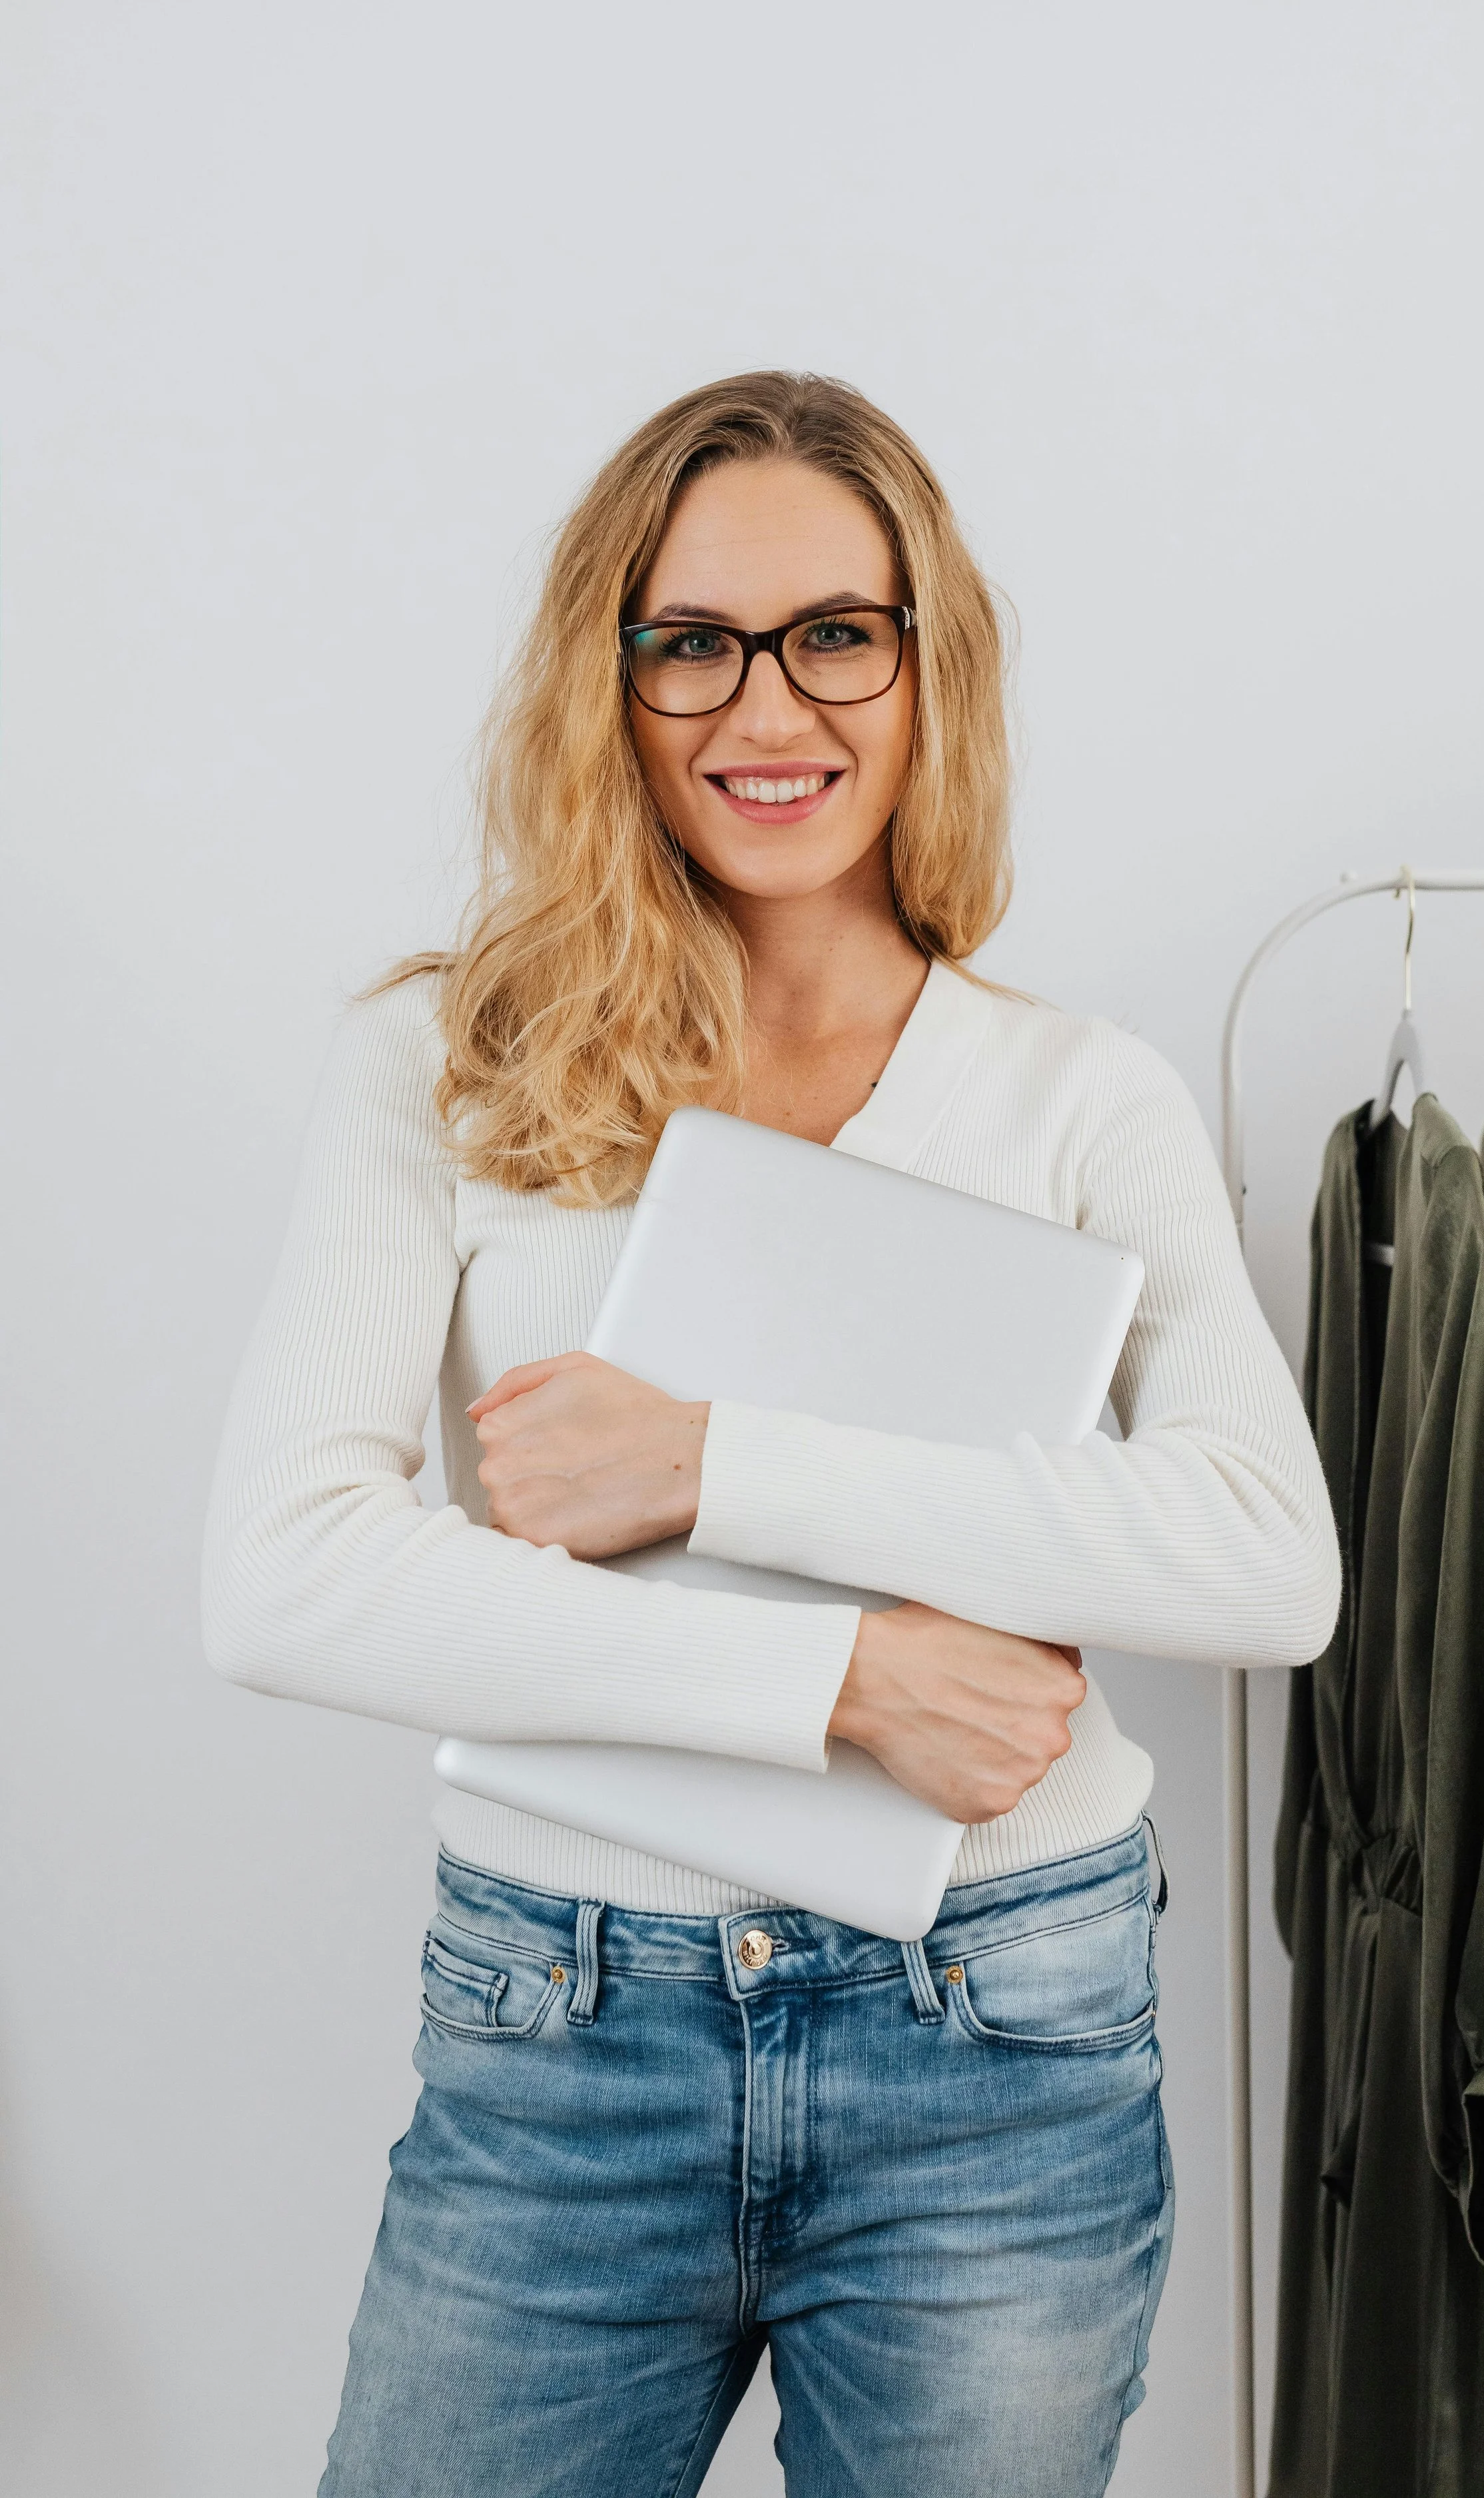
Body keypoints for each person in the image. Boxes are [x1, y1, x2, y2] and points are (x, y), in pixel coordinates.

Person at [204, 370, 1339, 2498]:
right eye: (692, 642)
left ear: (926, 668)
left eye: (835, 634)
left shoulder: (1074, 1096)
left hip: (994, 2034)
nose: (766, 706)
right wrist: (845, 1679)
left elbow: (1266, 1555)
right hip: (561, 2037)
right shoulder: (448, 1061)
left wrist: (713, 1463)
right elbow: (279, 1574)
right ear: (607, 678)